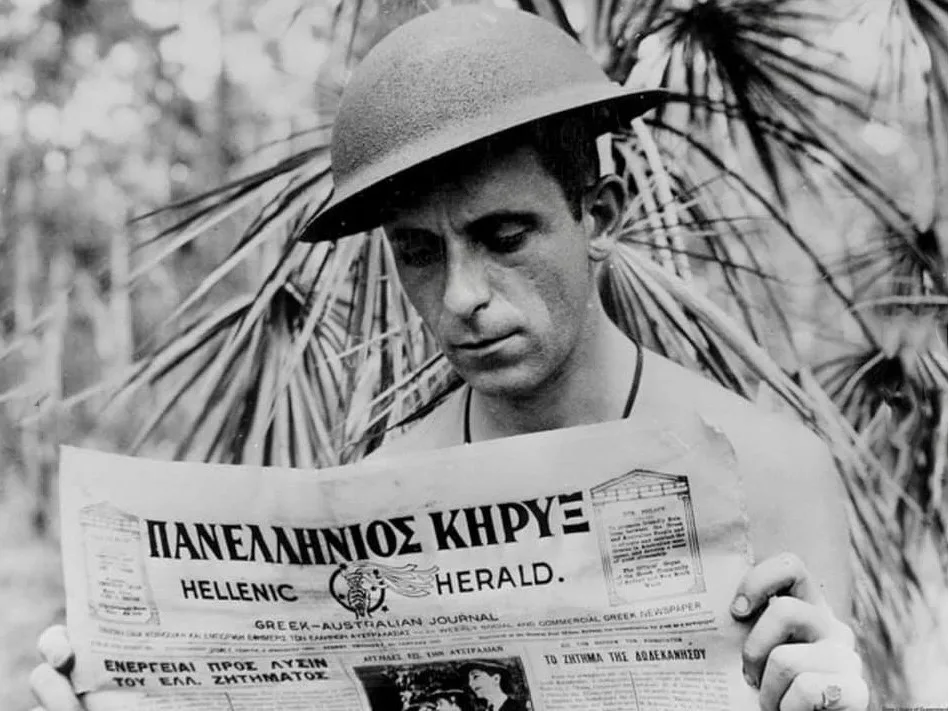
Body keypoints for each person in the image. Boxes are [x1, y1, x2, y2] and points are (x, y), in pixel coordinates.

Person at [30, 5, 868, 711]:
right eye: (420, 253)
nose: (462, 295)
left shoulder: (768, 472)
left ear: (600, 216)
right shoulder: (381, 494)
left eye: (503, 237)